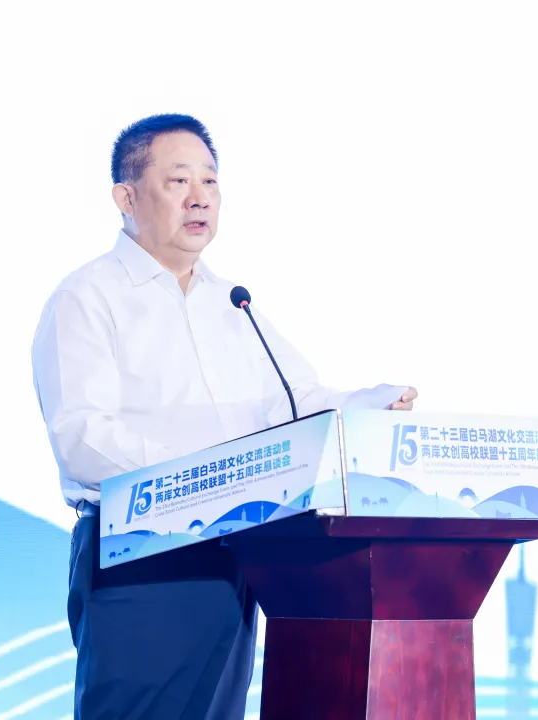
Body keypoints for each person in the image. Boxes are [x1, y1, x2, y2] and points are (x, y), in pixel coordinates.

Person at [31, 113, 417, 720]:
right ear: (126, 198)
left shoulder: (231, 302)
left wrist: (366, 406)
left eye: (210, 181)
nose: (200, 198)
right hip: (141, 560)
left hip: (236, 554)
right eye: (178, 180)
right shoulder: (87, 297)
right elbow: (82, 440)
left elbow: (292, 403)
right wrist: (212, 476)